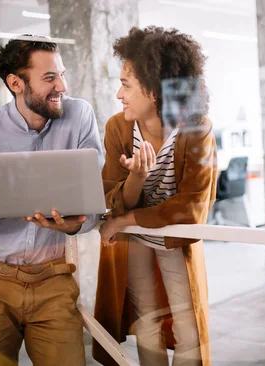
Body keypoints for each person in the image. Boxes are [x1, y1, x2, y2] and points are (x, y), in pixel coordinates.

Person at [0, 35, 103, 365]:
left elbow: (95, 207)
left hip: (53, 282)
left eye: (62, 74)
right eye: (49, 78)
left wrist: (74, 225)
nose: (61, 86)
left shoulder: (79, 117)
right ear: (16, 83)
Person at [93, 26, 217, 366]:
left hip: (175, 241)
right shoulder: (118, 128)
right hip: (135, 242)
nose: (119, 94)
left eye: (126, 85)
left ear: (154, 91)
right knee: (146, 319)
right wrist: (137, 177)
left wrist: (125, 219)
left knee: (187, 324)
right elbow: (112, 198)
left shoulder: (196, 129)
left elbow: (193, 209)